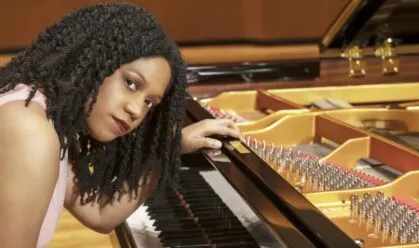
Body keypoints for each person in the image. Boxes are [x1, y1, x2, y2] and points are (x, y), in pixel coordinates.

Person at [0, 3, 240, 247]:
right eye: (131, 83)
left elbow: (99, 213)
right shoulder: (29, 130)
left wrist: (171, 147)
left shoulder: (46, 117)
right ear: (96, 60)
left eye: (149, 102)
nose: (136, 110)